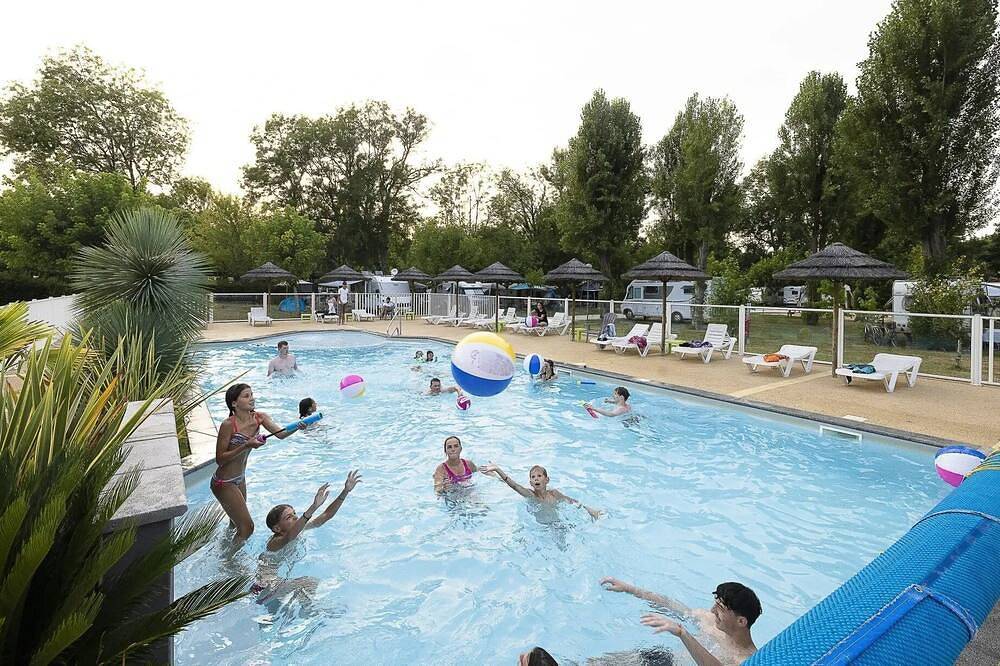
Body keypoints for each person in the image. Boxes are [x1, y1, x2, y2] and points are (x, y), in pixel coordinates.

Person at [212, 383, 304, 543]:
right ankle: (230, 564)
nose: (252, 398)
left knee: (235, 525)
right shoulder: (228, 425)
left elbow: (281, 434)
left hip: (240, 479)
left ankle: (225, 548)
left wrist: (299, 425)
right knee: (247, 528)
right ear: (234, 403)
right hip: (223, 482)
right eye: (246, 396)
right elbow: (220, 459)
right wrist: (246, 445)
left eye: (252, 394)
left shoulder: (259, 418)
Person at [599, 577, 761, 666]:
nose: (712, 611)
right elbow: (670, 606)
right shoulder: (710, 621)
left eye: (720, 608)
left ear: (741, 621)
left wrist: (683, 633)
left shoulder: (747, 659)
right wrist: (631, 589)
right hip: (663, 659)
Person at [264, 470, 362, 552]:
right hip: (267, 573)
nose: (296, 517)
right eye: (289, 517)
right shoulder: (275, 542)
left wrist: (345, 491)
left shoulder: (300, 528)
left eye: (294, 513)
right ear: (277, 529)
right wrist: (314, 507)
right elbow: (290, 537)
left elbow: (326, 515)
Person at [481, 463, 603, 520]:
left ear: (547, 480)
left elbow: (572, 502)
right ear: (530, 483)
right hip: (540, 529)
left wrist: (590, 510)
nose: (536, 479)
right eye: (533, 477)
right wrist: (498, 470)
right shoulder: (530, 495)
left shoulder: (554, 494)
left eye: (539, 476)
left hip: (557, 525)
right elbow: (514, 486)